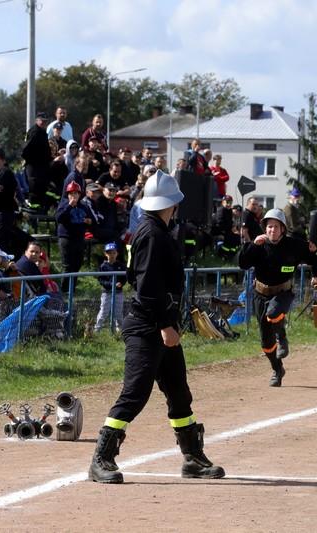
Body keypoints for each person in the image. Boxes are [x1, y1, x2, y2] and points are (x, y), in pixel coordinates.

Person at [89, 169, 225, 483]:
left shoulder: (155, 231)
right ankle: (101, 459)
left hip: (160, 322)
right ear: (171, 204)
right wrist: (165, 325)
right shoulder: (152, 233)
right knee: (135, 392)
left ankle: (193, 459)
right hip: (147, 326)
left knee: (179, 393)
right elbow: (148, 285)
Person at [238, 208, 317, 387]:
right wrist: (252, 245)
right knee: (266, 343)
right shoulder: (259, 245)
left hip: (283, 292)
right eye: (269, 226)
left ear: (283, 229)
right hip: (260, 295)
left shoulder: (294, 245)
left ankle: (282, 337)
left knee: (274, 312)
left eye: (276, 227)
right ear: (265, 228)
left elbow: (315, 258)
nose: (272, 230)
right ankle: (277, 369)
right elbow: (242, 263)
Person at [94, 242, 126, 333]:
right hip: (107, 293)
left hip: (118, 292)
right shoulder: (103, 266)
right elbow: (101, 280)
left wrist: (121, 283)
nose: (111, 255)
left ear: (117, 253)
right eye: (109, 253)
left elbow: (124, 278)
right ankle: (97, 330)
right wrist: (111, 284)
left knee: (118, 313)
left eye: (113, 253)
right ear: (105, 254)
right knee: (103, 312)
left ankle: (119, 331)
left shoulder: (121, 265)